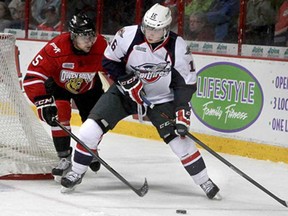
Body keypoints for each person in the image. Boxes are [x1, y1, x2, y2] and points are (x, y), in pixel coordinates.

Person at [60, 3, 220, 200]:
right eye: (147, 26)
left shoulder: (178, 47)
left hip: (161, 99)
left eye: (155, 29)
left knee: (180, 142)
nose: (149, 32)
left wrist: (181, 110)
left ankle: (204, 180)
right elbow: (109, 61)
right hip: (123, 94)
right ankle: (76, 171)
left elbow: (184, 84)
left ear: (166, 29)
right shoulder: (127, 35)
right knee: (88, 131)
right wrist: (125, 79)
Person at [23, 13, 108, 181]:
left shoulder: (101, 46)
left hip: (89, 87)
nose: (90, 41)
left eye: (92, 36)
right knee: (60, 114)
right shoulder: (56, 48)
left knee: (97, 121)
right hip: (58, 84)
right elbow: (33, 75)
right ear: (73, 35)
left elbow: (114, 70)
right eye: (85, 37)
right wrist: (43, 102)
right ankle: (64, 157)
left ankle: (90, 148)